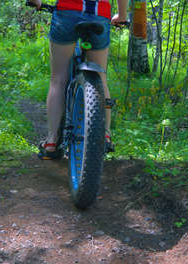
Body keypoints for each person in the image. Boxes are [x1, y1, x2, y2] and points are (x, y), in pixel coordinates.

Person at [29, 0, 128, 159]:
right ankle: (106, 135)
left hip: (66, 13)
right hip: (99, 15)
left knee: (58, 79)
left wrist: (36, 2)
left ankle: (52, 141)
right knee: (101, 77)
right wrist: (122, 15)